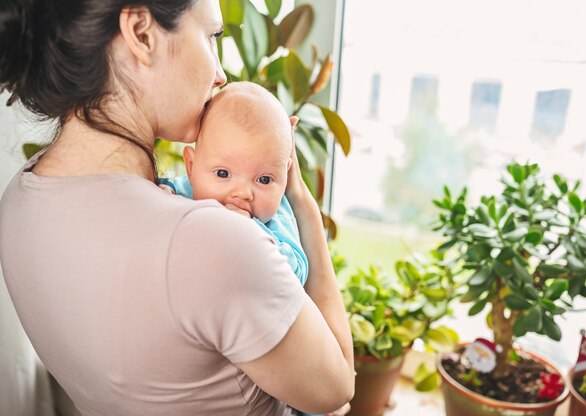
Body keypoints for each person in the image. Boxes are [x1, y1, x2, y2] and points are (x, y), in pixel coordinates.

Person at [0, 1, 354, 416]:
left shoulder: (20, 198)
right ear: (142, 33)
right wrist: (304, 210)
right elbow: (337, 387)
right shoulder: (214, 243)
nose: (221, 75)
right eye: (212, 37)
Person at [161, 81, 308, 286]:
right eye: (223, 173)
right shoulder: (179, 192)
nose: (243, 193)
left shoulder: (274, 220)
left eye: (264, 179)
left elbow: (297, 272)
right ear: (191, 167)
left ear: (285, 176)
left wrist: (251, 233)